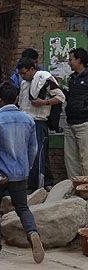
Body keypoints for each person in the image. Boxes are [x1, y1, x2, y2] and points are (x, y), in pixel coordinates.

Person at [0, 81, 44, 263]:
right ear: (17, 99)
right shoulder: (28, 120)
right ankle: (32, 232)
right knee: (22, 208)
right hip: (20, 173)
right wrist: (27, 168)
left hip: (0, 174)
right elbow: (33, 148)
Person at [17, 57, 65, 191]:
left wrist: (44, 103)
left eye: (24, 73)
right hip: (25, 122)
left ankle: (39, 188)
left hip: (38, 123)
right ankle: (31, 185)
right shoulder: (24, 83)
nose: (23, 76)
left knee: (38, 156)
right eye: (21, 74)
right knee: (27, 155)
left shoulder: (44, 80)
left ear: (32, 69)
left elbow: (60, 97)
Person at [65, 48, 88, 178]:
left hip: (84, 124)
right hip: (70, 124)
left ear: (79, 60)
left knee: (85, 159)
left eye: (71, 59)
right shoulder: (73, 78)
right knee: (71, 160)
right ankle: (74, 188)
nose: (69, 63)